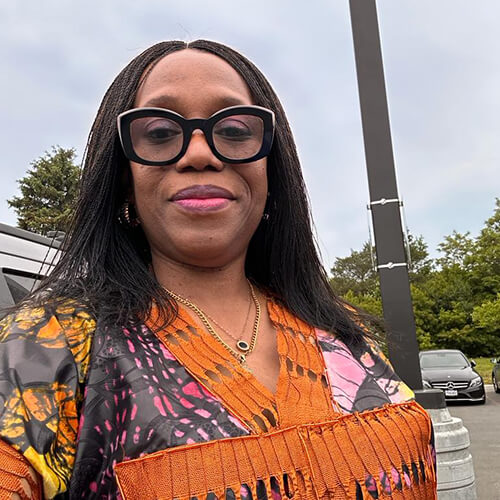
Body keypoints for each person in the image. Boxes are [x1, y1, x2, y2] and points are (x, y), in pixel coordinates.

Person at [0, 40, 436, 500]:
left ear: (271, 169)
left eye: (233, 129)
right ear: (124, 179)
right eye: (159, 132)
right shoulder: (46, 346)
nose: (199, 153)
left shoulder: (342, 332)